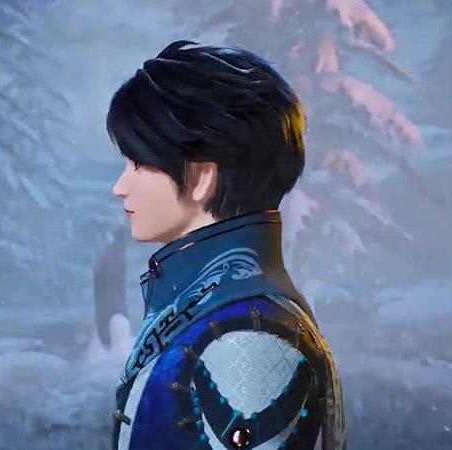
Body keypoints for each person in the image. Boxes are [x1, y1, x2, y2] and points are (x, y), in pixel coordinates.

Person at [107, 40, 346, 450]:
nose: (120, 186)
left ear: (202, 177)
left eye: (139, 164)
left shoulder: (248, 337)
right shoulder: (226, 313)